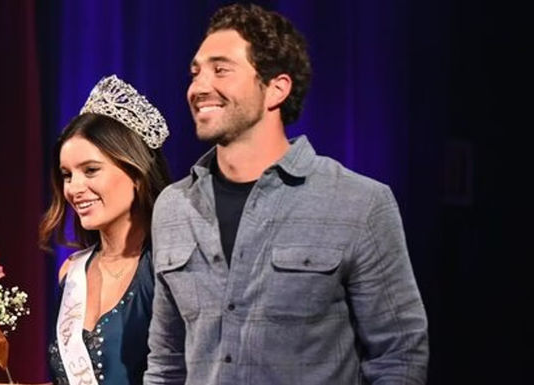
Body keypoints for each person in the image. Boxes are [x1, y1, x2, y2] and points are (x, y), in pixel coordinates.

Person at [144, 4, 428, 385]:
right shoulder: (173, 207)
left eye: (221, 69)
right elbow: (166, 362)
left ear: (276, 88)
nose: (199, 87)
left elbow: (399, 357)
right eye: (195, 72)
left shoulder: (360, 204)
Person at [0, 75, 171, 385]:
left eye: (90, 170)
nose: (74, 188)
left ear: (136, 173)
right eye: (66, 175)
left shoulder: (168, 266)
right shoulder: (72, 273)